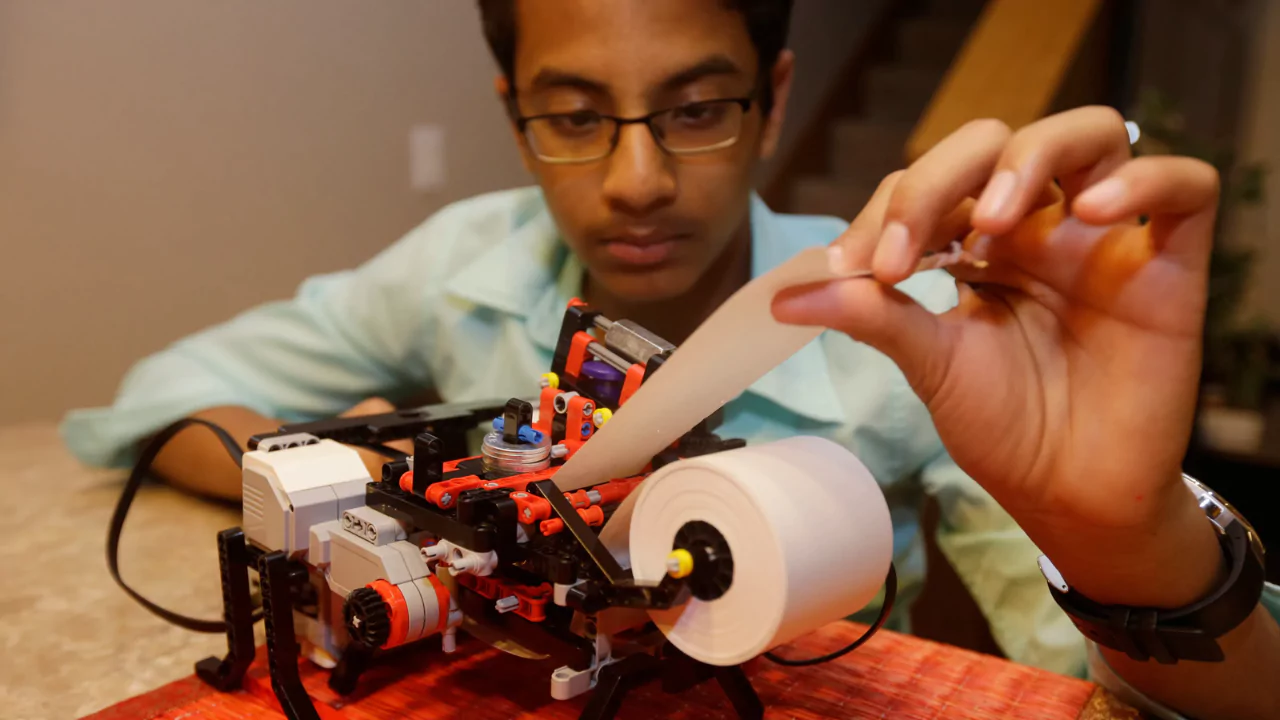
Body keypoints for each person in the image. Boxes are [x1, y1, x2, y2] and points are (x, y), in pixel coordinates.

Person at [60, 0, 1278, 717]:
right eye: (576, 116)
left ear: (776, 97)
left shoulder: (922, 331)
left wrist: (1126, 542)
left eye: (696, 109)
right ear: (511, 112)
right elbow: (154, 402)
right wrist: (332, 473)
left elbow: (1115, 696)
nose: (637, 182)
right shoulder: (454, 266)